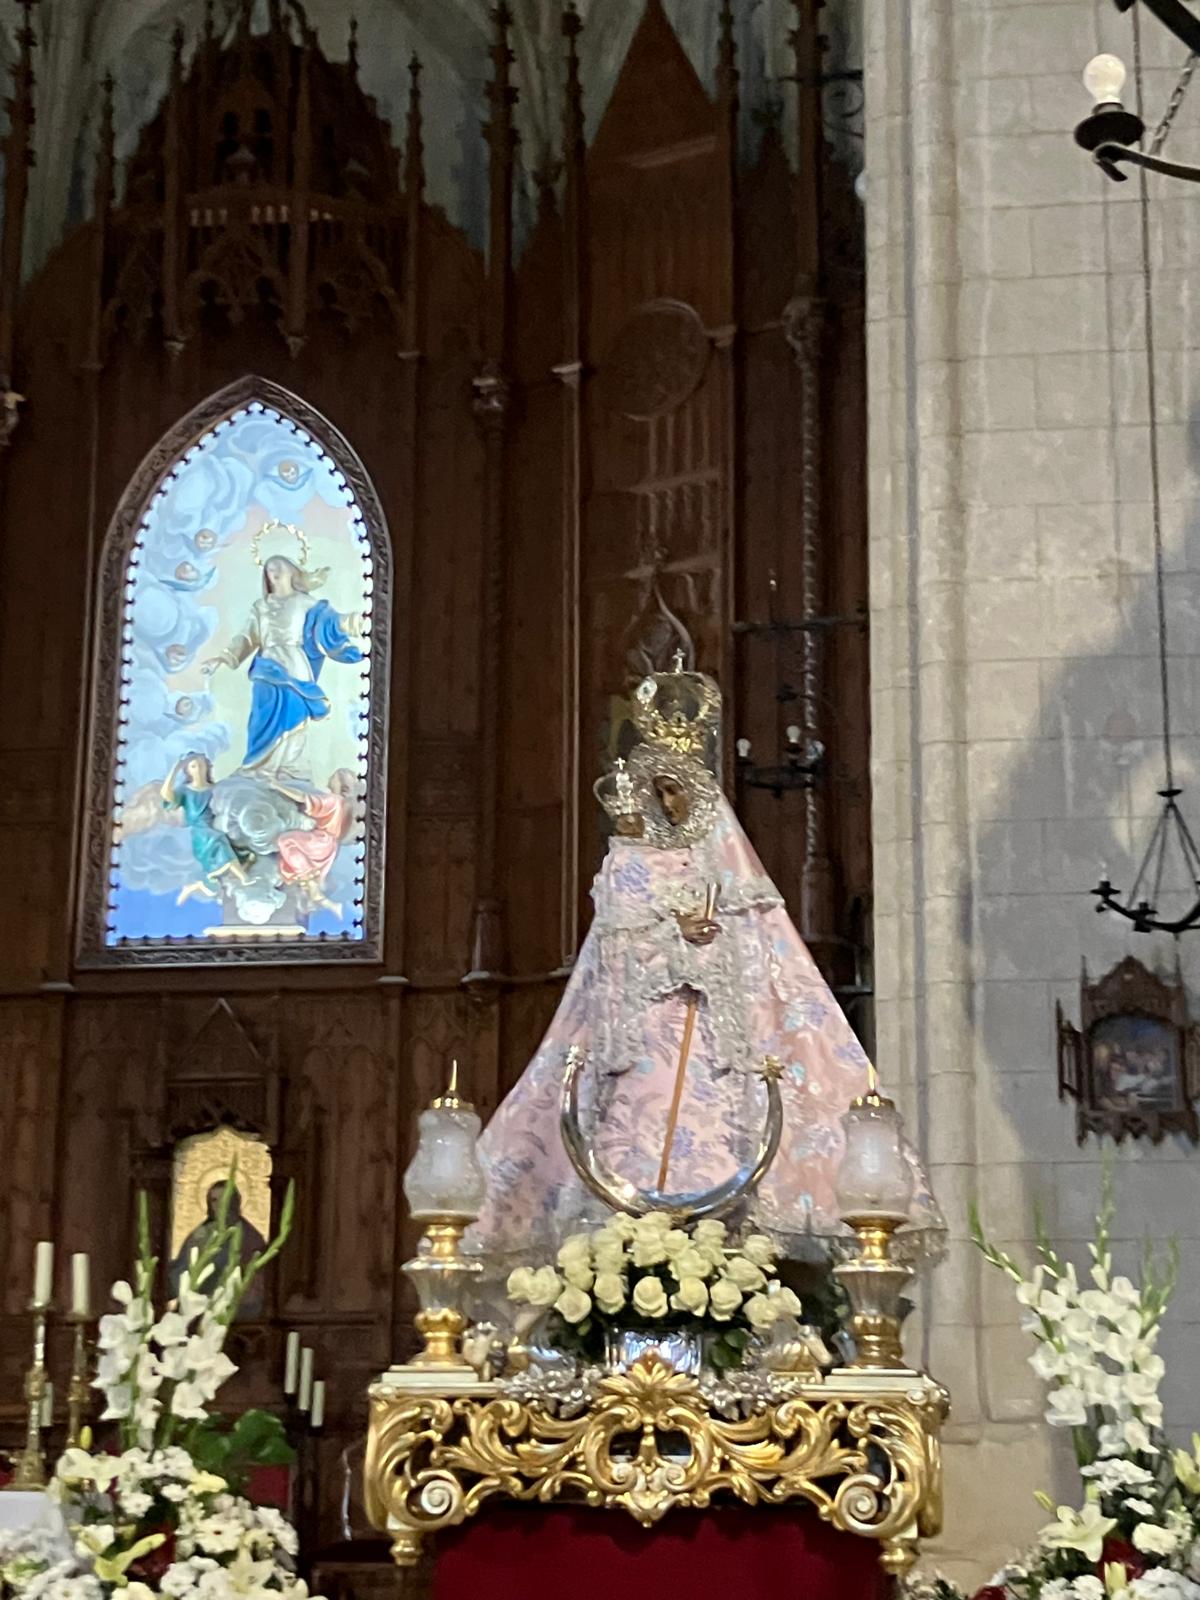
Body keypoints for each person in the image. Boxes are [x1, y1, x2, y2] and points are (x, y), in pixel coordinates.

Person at [467, 661, 943, 1273]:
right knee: (618, 1168)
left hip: (714, 1059)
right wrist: (674, 936)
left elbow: (766, 968)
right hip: (638, 1054)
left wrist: (708, 944)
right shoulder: (625, 865)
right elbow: (612, 957)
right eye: (657, 789)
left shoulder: (734, 873)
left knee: (726, 1177)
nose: (666, 802)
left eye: (676, 788)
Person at [202, 550, 364, 780]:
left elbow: (328, 622)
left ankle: (289, 768)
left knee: (295, 714)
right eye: (269, 568)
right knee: (261, 714)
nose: (274, 571)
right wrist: (222, 658)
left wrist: (355, 622)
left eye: (280, 566)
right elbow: (247, 638)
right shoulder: (261, 606)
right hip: (267, 665)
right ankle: (257, 767)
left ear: (292, 571)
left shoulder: (305, 602)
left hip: (294, 663)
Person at [160, 752, 252, 905]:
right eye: (193, 766)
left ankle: (195, 886)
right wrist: (175, 769)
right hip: (201, 833)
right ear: (188, 770)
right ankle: (244, 877)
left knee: (236, 850)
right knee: (219, 841)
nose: (198, 769)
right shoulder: (185, 791)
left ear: (207, 767)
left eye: (201, 765)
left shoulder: (215, 789)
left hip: (217, 827)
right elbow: (167, 796)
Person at [168, 1180, 267, 1319]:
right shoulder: (200, 1234)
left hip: (230, 1310)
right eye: (214, 1200)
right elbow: (183, 1268)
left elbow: (254, 1280)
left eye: (225, 1199)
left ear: (234, 1202)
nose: (220, 1205)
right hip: (196, 1307)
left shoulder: (249, 1237)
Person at [271, 768, 356, 919]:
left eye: (335, 776)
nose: (331, 776)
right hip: (329, 846)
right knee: (290, 851)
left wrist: (277, 786)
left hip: (320, 840)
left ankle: (311, 885)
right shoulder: (343, 803)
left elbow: (303, 797)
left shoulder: (333, 800)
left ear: (342, 785)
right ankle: (319, 898)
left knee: (285, 841)